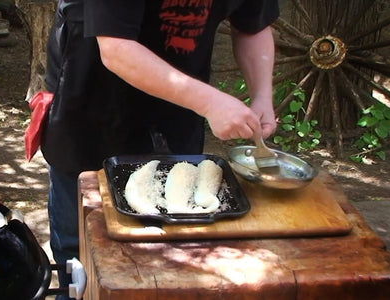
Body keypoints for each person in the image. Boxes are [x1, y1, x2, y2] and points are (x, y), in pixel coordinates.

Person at [41, 1, 279, 298]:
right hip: (90, 102)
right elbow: (116, 49)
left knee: (174, 253)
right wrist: (211, 103)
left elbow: (252, 25)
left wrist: (262, 97)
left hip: (179, 108)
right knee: (81, 260)